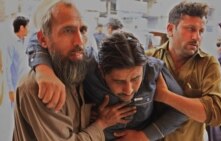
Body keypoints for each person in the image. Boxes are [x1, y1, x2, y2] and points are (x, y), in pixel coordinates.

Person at [13, 1, 136, 140]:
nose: (79, 41)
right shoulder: (39, 88)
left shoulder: (81, 66)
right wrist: (102, 123)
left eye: (82, 30)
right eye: (68, 30)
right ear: (43, 39)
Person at [146, 1, 221, 141]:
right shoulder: (149, 58)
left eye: (201, 31)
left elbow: (216, 114)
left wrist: (165, 96)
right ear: (170, 29)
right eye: (190, 29)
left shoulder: (208, 64)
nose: (196, 37)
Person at [5, 15, 30, 106]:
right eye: (27, 27)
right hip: (16, 87)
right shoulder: (11, 44)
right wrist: (10, 90)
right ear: (21, 28)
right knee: (17, 114)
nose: (28, 29)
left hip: (27, 85)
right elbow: (7, 68)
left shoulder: (27, 42)